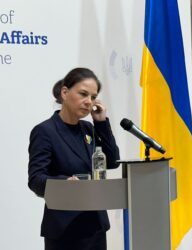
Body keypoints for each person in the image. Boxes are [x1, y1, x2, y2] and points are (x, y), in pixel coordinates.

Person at [28, 67, 120, 250]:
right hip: (65, 229)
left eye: (93, 97)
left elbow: (112, 161)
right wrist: (64, 184)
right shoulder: (45, 131)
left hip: (95, 226)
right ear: (65, 92)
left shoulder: (89, 129)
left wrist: (101, 122)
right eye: (83, 94)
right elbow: (36, 179)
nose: (89, 102)